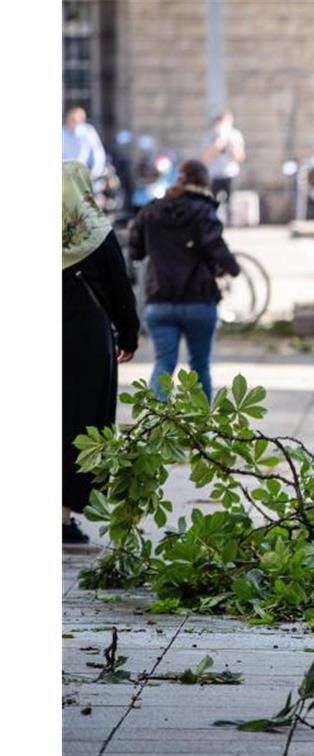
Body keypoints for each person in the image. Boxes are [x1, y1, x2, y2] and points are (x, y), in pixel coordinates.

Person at [62, 160, 139, 544]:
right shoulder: (95, 232)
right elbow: (121, 291)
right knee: (79, 422)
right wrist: (129, 336)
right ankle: (61, 514)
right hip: (86, 341)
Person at [128, 159, 240, 401]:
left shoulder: (151, 210)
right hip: (199, 301)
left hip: (159, 301)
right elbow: (216, 247)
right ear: (203, 184)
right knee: (200, 367)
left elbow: (135, 252)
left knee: (163, 366)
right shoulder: (204, 211)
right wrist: (233, 268)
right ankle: (200, 430)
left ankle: (158, 427)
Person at [200, 109, 246, 219]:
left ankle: (231, 221)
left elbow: (240, 157)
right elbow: (204, 157)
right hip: (214, 173)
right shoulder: (209, 136)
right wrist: (216, 146)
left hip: (230, 173)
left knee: (231, 200)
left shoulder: (235, 135)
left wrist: (233, 147)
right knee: (213, 200)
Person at [62, 106, 107, 179]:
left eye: (76, 120)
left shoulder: (88, 132)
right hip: (66, 175)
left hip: (85, 174)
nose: (73, 122)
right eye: (72, 119)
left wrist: (95, 172)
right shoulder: (62, 133)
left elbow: (98, 153)